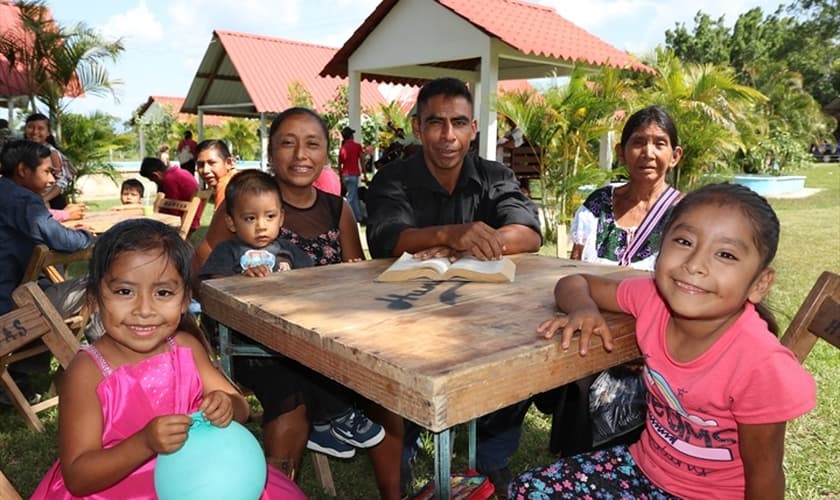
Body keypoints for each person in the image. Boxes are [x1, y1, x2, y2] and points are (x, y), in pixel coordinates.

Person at [511, 182, 816, 499]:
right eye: (684, 241)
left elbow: (765, 477)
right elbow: (574, 282)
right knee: (528, 490)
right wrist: (584, 308)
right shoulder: (652, 298)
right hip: (641, 469)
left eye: (725, 254)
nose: (695, 264)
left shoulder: (760, 366)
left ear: (760, 283)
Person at [193, 107, 403, 499]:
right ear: (271, 152)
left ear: (327, 153)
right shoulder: (244, 205)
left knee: (382, 385)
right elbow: (201, 275)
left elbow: (353, 274)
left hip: (323, 334)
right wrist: (241, 285)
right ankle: (278, 489)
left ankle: (393, 495)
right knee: (292, 394)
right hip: (254, 342)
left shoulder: (337, 208)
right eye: (287, 143)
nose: (300, 154)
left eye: (312, 144)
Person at [31, 219, 305, 499]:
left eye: (163, 293)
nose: (144, 310)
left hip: (199, 479)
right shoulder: (87, 372)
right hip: (117, 489)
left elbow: (240, 407)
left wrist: (227, 406)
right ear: (95, 296)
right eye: (125, 291)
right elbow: (78, 477)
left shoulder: (186, 348)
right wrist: (145, 443)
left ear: (185, 300)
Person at [365, 77, 542, 493]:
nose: (448, 136)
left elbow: (529, 232)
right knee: (391, 369)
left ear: (474, 128)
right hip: (405, 308)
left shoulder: (495, 174)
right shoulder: (393, 177)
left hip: (483, 306)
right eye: (436, 123)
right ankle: (402, 449)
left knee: (521, 356)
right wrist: (451, 234)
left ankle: (493, 456)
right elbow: (387, 238)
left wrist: (473, 245)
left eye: (459, 123)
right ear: (417, 127)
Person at [541, 105, 685, 460]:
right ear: (622, 152)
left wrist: (642, 345)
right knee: (573, 359)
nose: (648, 153)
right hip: (590, 321)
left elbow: (685, 295)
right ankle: (576, 466)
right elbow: (572, 268)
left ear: (675, 155)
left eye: (660, 143)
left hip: (653, 341)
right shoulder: (598, 204)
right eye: (638, 142)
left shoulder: (687, 215)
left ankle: (607, 465)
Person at [0, 139, 92, 403]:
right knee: (99, 284)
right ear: (22, 170)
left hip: (8, 296)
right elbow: (62, 240)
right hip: (8, 309)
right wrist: (86, 236)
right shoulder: (22, 199)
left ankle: (17, 376)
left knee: (42, 289)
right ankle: (105, 363)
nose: (53, 178)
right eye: (48, 171)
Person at [139, 156, 204, 236]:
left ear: (156, 175)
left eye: (152, 180)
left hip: (185, 222)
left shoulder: (170, 179)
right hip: (193, 218)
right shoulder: (180, 172)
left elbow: (172, 209)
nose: (155, 182)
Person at [23, 113, 74, 209]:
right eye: (31, 127)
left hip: (51, 200)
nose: (35, 132)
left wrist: (44, 199)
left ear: (48, 132)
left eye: (40, 128)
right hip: (29, 199)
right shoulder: (20, 150)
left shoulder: (51, 153)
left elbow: (61, 182)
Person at [338, 125, 367, 222]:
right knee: (351, 197)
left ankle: (358, 217)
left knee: (354, 196)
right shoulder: (357, 146)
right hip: (354, 174)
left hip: (345, 175)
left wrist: (340, 177)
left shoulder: (343, 148)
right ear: (351, 136)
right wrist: (365, 174)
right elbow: (362, 160)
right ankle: (345, 218)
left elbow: (339, 164)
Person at [195, 139, 236, 206]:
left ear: (229, 163)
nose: (205, 170)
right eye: (201, 164)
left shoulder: (227, 185)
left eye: (212, 163)